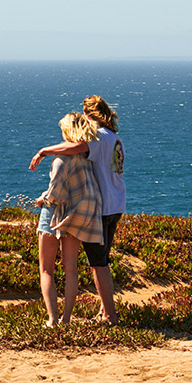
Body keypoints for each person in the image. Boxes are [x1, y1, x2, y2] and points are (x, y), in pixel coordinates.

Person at [31, 95, 124, 323]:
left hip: (101, 208)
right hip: (116, 202)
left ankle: (109, 314)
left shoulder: (99, 137)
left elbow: (77, 146)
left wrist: (44, 151)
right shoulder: (114, 137)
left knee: (98, 264)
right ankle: (103, 310)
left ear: (91, 115)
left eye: (85, 114)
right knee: (100, 261)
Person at [33, 112, 103, 327]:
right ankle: (67, 318)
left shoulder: (61, 159)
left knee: (46, 270)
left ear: (67, 130)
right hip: (78, 217)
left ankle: (52, 319)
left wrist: (41, 199)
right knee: (71, 270)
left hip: (54, 215)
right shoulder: (88, 157)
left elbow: (55, 193)